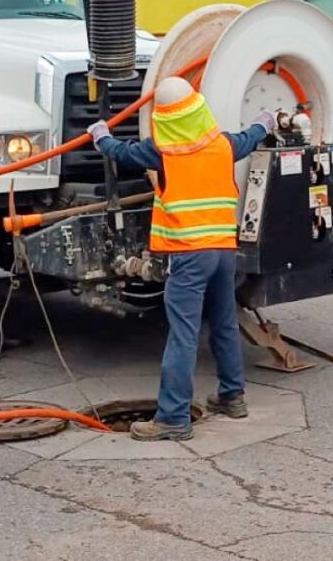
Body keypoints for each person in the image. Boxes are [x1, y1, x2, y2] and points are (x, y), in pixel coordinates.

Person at [87, 77, 275, 441]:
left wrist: (100, 137)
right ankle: (232, 397)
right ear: (196, 107)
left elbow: (121, 153)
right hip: (223, 250)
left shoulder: (161, 152)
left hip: (189, 254)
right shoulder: (222, 145)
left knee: (184, 335)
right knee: (222, 322)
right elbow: (250, 138)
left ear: (165, 117)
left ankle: (172, 417)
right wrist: (264, 123)